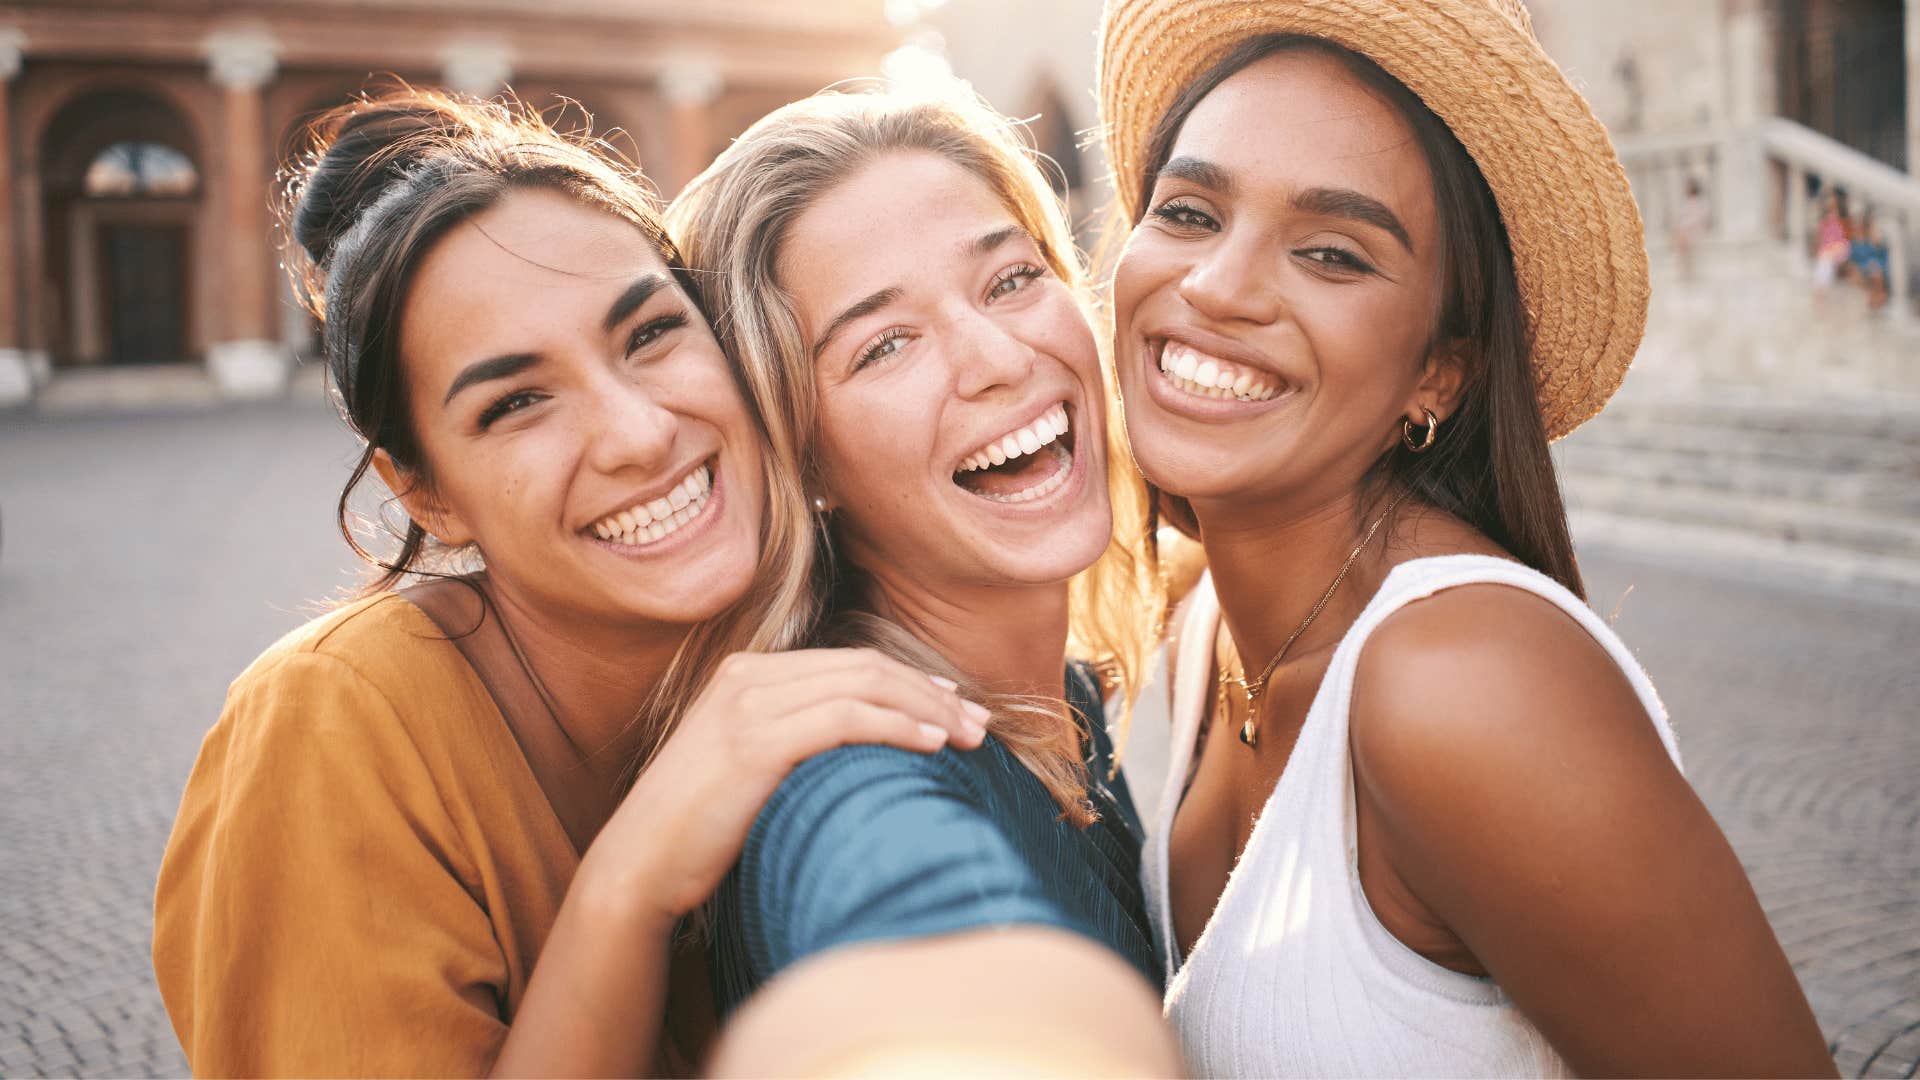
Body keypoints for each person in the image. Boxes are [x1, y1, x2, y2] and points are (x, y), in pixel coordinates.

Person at [151, 88, 990, 1077]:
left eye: (650, 335)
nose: (638, 434)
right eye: (518, 403)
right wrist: (629, 882)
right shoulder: (335, 726)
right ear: (425, 494)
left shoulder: (819, 629)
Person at [1096, 1, 1836, 1075]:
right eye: (1191, 212)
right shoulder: (1206, 620)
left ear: (1440, 372)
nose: (1215, 287)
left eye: (1332, 254)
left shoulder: (1463, 685)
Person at [664, 88, 1180, 1075]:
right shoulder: (851, 770)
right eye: (883, 344)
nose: (998, 358)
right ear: (799, 458)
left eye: (1011, 279)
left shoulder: (1059, 694)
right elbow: (908, 917)